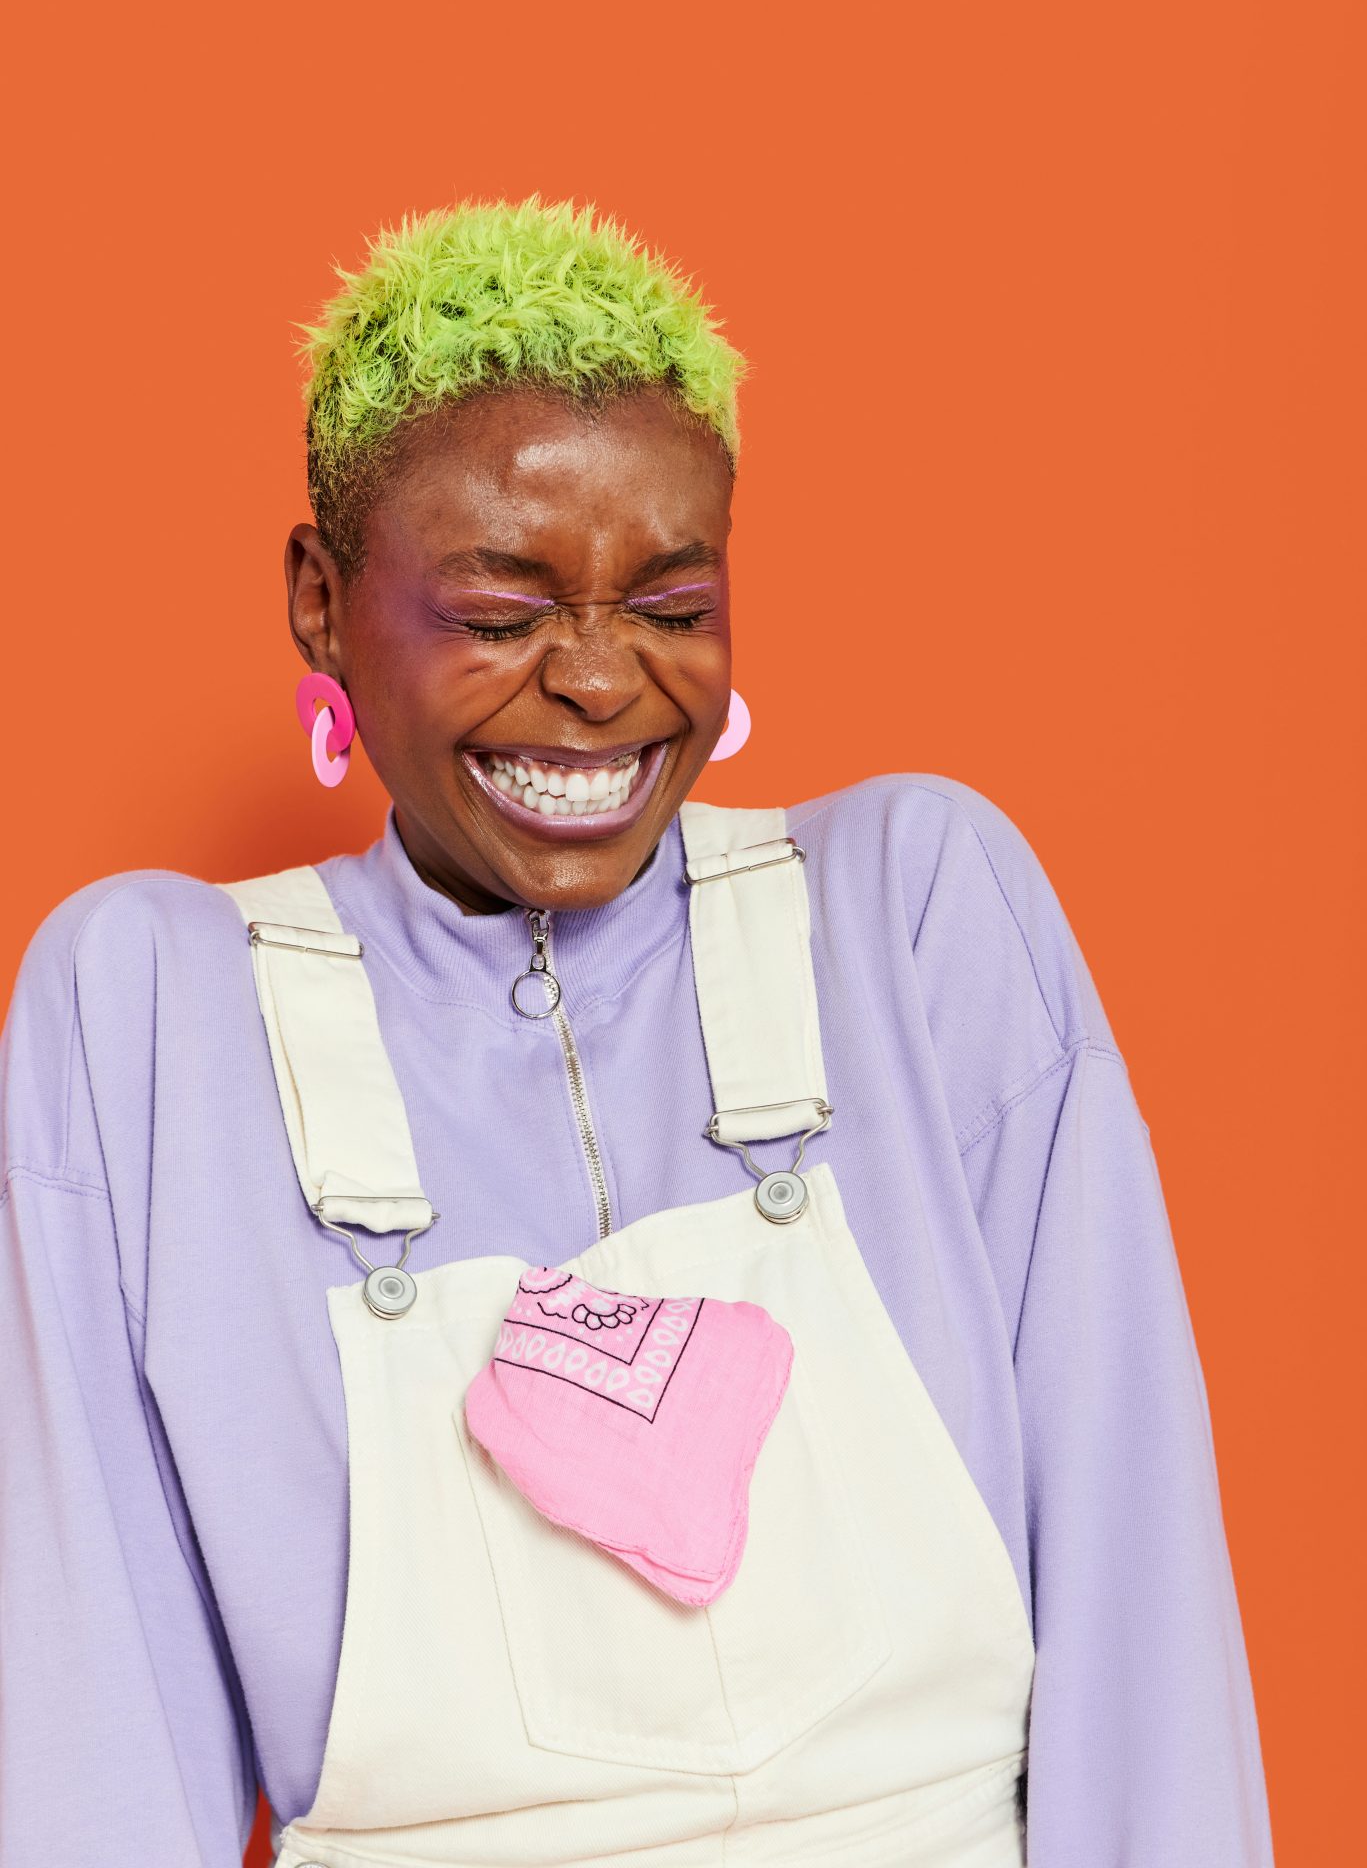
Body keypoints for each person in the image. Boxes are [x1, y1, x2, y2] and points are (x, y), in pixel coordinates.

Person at [0, 198, 1275, 1867]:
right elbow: (90, 1738)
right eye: (500, 610)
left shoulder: (914, 916)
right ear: (322, 601)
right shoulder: (144, 1017)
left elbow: (1141, 1604)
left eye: (671, 605)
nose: (602, 683)